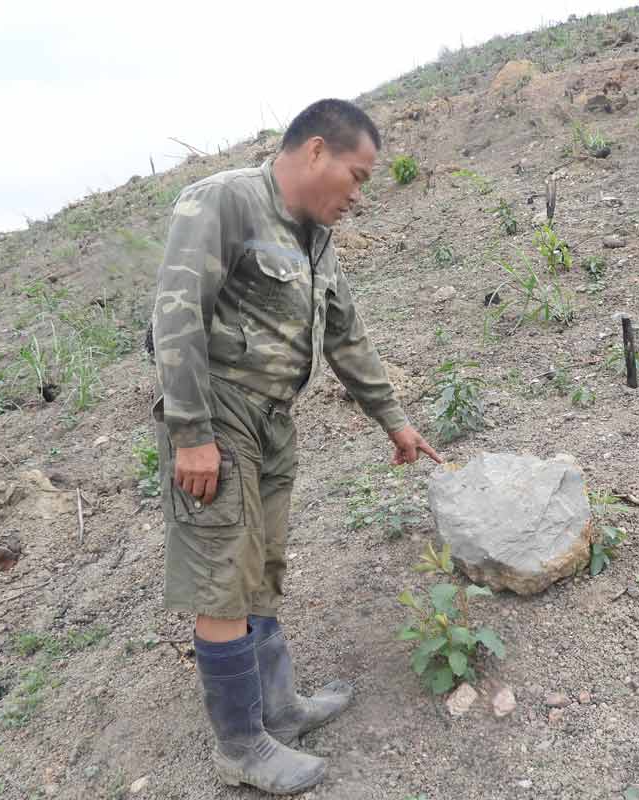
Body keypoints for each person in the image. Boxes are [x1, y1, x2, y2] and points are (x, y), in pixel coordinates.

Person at [150, 98, 442, 794]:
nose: (360, 194)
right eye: (359, 175)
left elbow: (345, 334)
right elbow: (176, 315)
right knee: (223, 577)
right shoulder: (224, 201)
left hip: (273, 420)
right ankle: (241, 745)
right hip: (219, 415)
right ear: (316, 151)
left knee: (260, 569)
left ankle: (278, 708)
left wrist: (394, 420)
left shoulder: (313, 235)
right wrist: (192, 435)